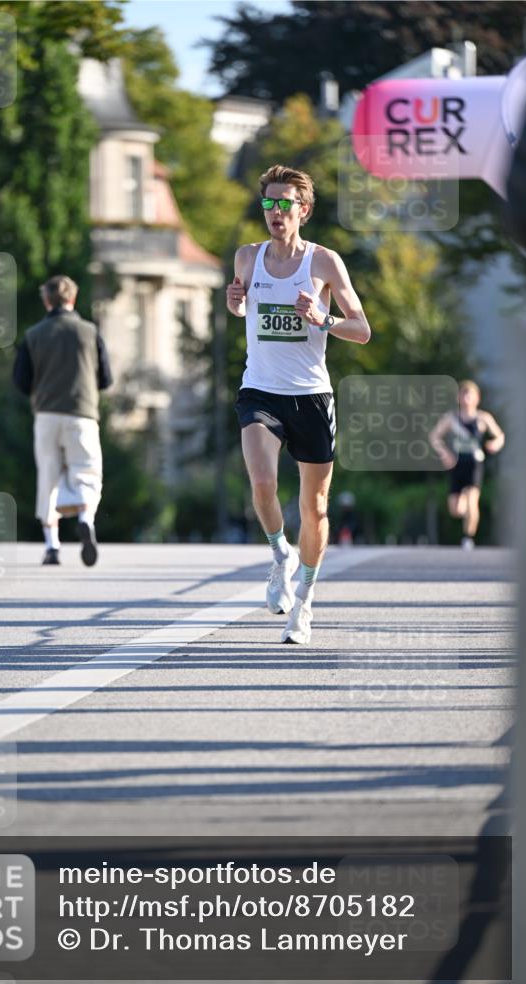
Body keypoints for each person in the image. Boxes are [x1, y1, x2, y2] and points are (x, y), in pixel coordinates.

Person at [226, 164, 371, 645]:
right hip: (261, 390)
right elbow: (244, 306)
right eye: (268, 203)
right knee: (263, 483)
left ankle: (304, 604)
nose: (275, 211)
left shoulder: (324, 262)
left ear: (303, 210)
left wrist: (322, 318)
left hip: (311, 395)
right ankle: (278, 555)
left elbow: (362, 330)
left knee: (316, 508)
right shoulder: (247, 257)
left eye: (284, 203)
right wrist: (235, 303)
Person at [13, 275, 112, 566]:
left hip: (46, 415)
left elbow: (20, 381)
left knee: (48, 476)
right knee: (87, 471)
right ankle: (85, 520)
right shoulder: (89, 331)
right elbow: (106, 379)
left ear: (46, 300)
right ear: (74, 299)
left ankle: (52, 546)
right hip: (82, 414)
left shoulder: (34, 335)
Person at [429, 380, 505, 549]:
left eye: (469, 395)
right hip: (456, 465)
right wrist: (444, 453)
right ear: (458, 397)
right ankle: (466, 515)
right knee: (455, 510)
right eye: (463, 394)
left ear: (477, 398)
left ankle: (467, 537)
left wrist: (495, 444)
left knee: (472, 501)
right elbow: (434, 437)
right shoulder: (451, 419)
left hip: (474, 463)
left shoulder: (483, 418)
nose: (466, 398)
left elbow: (500, 436)